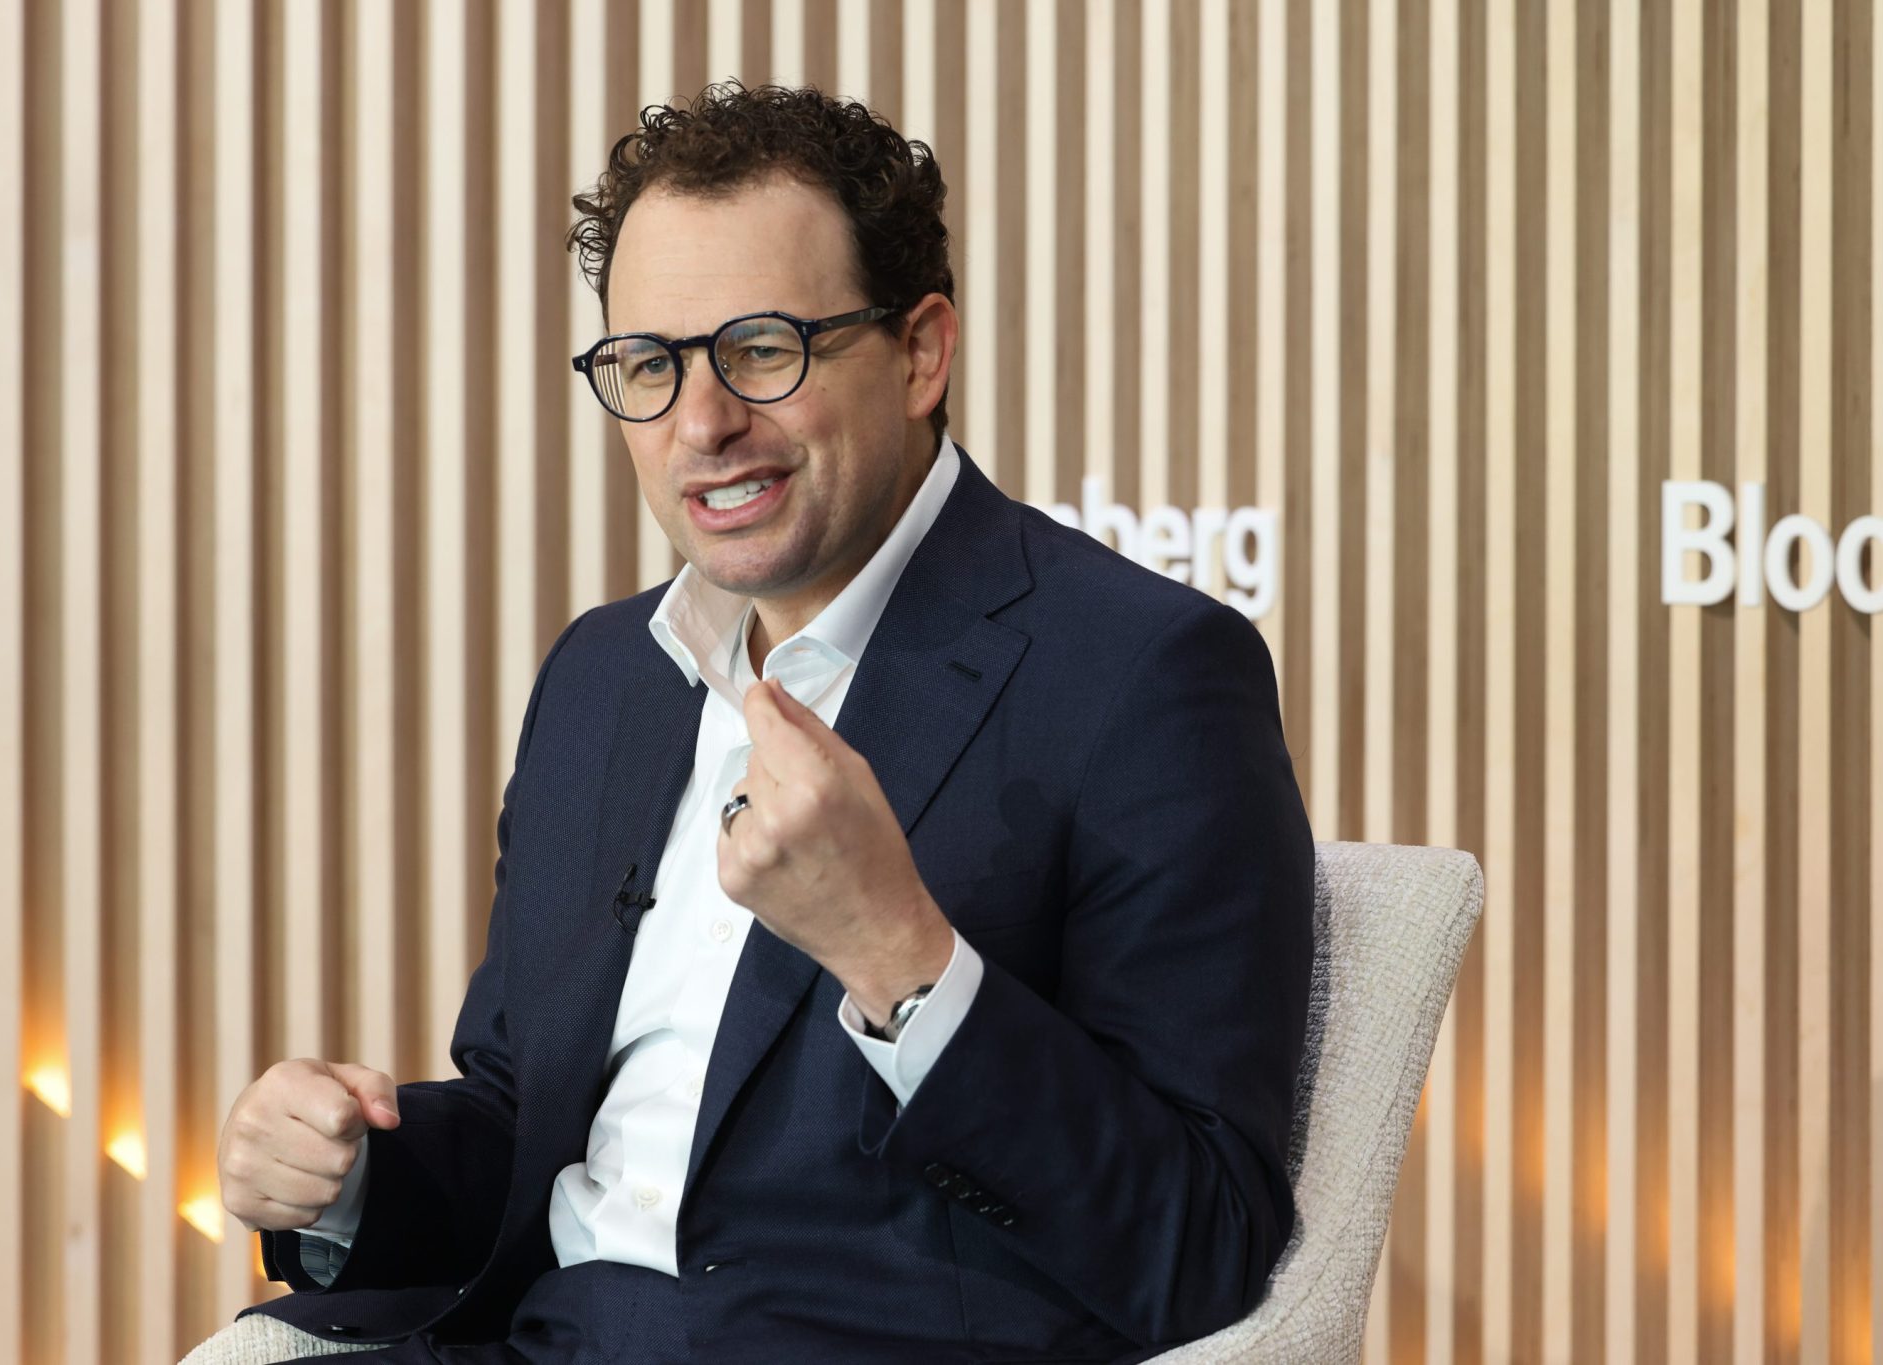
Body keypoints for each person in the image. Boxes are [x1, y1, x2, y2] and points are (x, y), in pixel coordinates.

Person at [195, 82, 1313, 1365]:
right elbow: (526, 1125)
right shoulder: (606, 676)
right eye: (649, 364)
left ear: (920, 353)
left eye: (763, 348)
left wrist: (896, 954)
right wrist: (343, 1178)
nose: (701, 424)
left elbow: (1197, 1243)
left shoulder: (1142, 673)